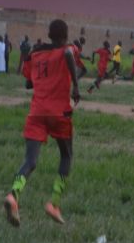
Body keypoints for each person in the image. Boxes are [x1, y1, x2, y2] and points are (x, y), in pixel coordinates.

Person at [4, 19, 80, 227]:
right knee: (66, 155)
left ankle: (14, 195)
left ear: (48, 34)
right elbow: (67, 54)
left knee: (30, 161)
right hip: (59, 113)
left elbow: (28, 81)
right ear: (64, 36)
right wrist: (76, 85)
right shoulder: (67, 49)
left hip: (36, 113)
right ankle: (54, 203)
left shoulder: (35, 54)